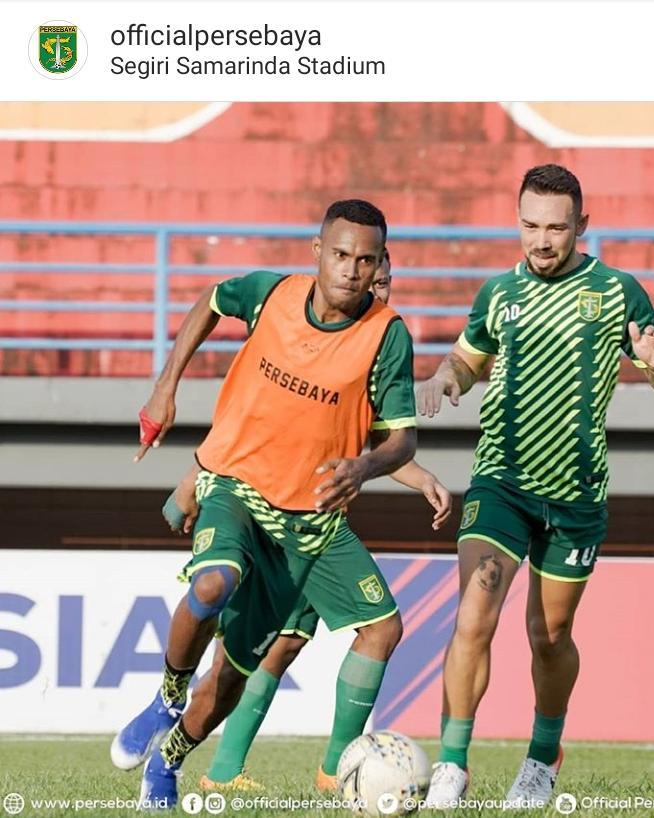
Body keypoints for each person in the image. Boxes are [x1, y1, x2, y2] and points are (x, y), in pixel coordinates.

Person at [110, 200, 419, 811]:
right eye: (340, 255)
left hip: (310, 522)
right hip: (237, 488)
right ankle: (168, 696)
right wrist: (165, 386)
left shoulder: (387, 336)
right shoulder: (271, 295)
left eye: (365, 260)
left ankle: (169, 760)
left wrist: (364, 466)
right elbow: (209, 301)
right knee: (212, 585)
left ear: (380, 263)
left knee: (235, 672)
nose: (351, 271)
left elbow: (402, 437)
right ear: (317, 250)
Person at [417, 165, 654, 808]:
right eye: (530, 225)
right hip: (501, 483)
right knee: (473, 616)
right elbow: (467, 357)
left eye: (556, 228)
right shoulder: (497, 294)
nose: (541, 240)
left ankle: (542, 755)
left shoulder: (618, 291)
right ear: (518, 223)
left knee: (549, 636)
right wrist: (445, 377)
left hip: (576, 496)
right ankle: (453, 765)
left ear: (581, 227)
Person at [162, 252, 453, 793]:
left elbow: (373, 443)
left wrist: (419, 478)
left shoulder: (378, 345)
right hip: (276, 513)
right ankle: (214, 759)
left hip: (317, 518)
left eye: (384, 280)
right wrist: (192, 479)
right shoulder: (299, 320)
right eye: (374, 279)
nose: (378, 290)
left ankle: (279, 769)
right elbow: (258, 427)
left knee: (291, 642)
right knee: (262, 649)